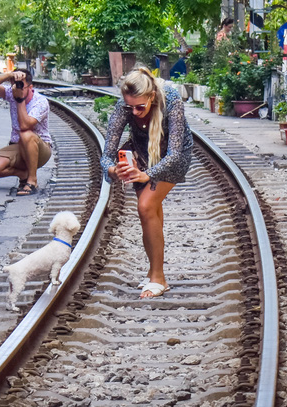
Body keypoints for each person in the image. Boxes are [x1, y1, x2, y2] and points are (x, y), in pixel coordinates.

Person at [100, 66, 193, 298]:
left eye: (140, 106)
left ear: (151, 96)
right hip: (142, 154)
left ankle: (157, 277)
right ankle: (156, 274)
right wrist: (113, 170)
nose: (135, 111)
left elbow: (174, 153)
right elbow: (106, 154)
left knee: (145, 206)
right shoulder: (126, 107)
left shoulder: (171, 100)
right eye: (130, 107)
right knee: (148, 212)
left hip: (174, 157)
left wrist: (148, 175)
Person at [0, 69, 52, 196]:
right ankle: (23, 175)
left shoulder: (40, 102)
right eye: (15, 84)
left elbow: (24, 126)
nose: (18, 88)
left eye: (21, 85)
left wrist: (19, 100)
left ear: (30, 87)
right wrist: (9, 75)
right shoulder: (12, 92)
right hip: (17, 146)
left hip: (40, 149)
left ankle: (32, 181)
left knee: (25, 134)